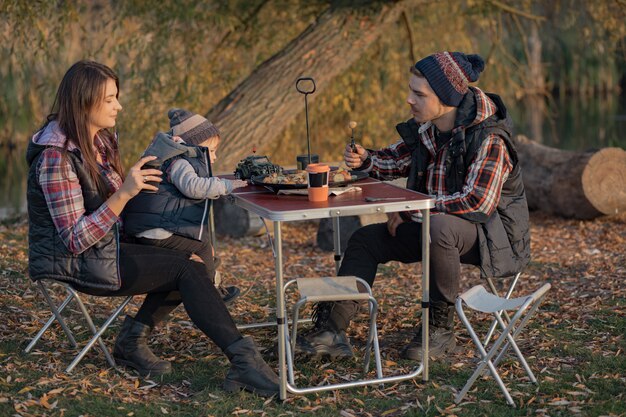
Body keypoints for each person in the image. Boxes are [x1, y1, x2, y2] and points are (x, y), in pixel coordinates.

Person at [26, 60, 278, 396]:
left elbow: (116, 206)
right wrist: (126, 192)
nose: (120, 106)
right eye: (110, 99)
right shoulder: (55, 159)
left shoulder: (98, 142)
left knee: (192, 254)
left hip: (110, 245)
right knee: (186, 271)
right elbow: (75, 240)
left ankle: (133, 341)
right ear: (85, 102)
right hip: (79, 260)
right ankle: (245, 363)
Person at [297, 51, 531, 361]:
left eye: (418, 94)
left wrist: (411, 210)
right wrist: (366, 160)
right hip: (433, 227)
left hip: (492, 238)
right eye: (410, 90)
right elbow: (394, 161)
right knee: (365, 241)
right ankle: (331, 331)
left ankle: (440, 332)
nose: (409, 99)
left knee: (440, 226)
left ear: (446, 99)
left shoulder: (490, 138)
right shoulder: (429, 129)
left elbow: (476, 203)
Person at [123, 109, 248, 304]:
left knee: (194, 257)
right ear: (191, 145)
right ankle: (212, 292)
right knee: (203, 247)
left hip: (150, 226)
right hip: (157, 230)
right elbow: (193, 188)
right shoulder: (179, 161)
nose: (213, 158)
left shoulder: (168, 157)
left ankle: (210, 283)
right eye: (211, 151)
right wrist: (226, 186)